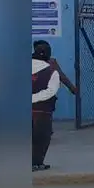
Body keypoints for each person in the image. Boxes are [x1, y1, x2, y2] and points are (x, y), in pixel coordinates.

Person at [31, 41, 62, 172]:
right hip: (42, 111)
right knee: (41, 138)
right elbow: (51, 91)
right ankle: (36, 163)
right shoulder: (51, 71)